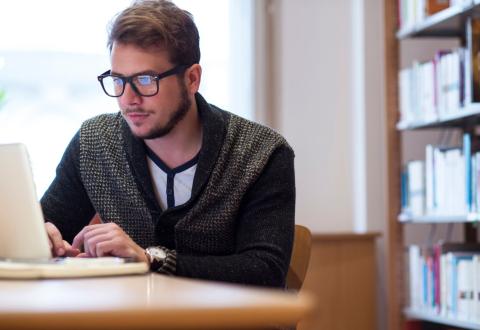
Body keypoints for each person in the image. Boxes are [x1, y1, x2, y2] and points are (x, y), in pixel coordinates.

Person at [40, 0, 295, 288]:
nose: (129, 99)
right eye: (118, 80)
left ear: (192, 79)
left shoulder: (261, 153)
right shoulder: (95, 143)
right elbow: (47, 225)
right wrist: (39, 237)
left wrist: (150, 259)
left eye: (146, 80)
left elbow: (265, 271)